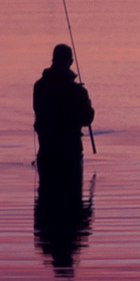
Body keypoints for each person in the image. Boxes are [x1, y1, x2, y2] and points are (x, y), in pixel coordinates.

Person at [31, 43, 95, 184]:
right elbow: (86, 119)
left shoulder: (39, 86)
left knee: (46, 202)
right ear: (70, 62)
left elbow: (37, 110)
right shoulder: (78, 91)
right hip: (70, 153)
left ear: (53, 60)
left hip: (47, 151)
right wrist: (88, 104)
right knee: (73, 203)